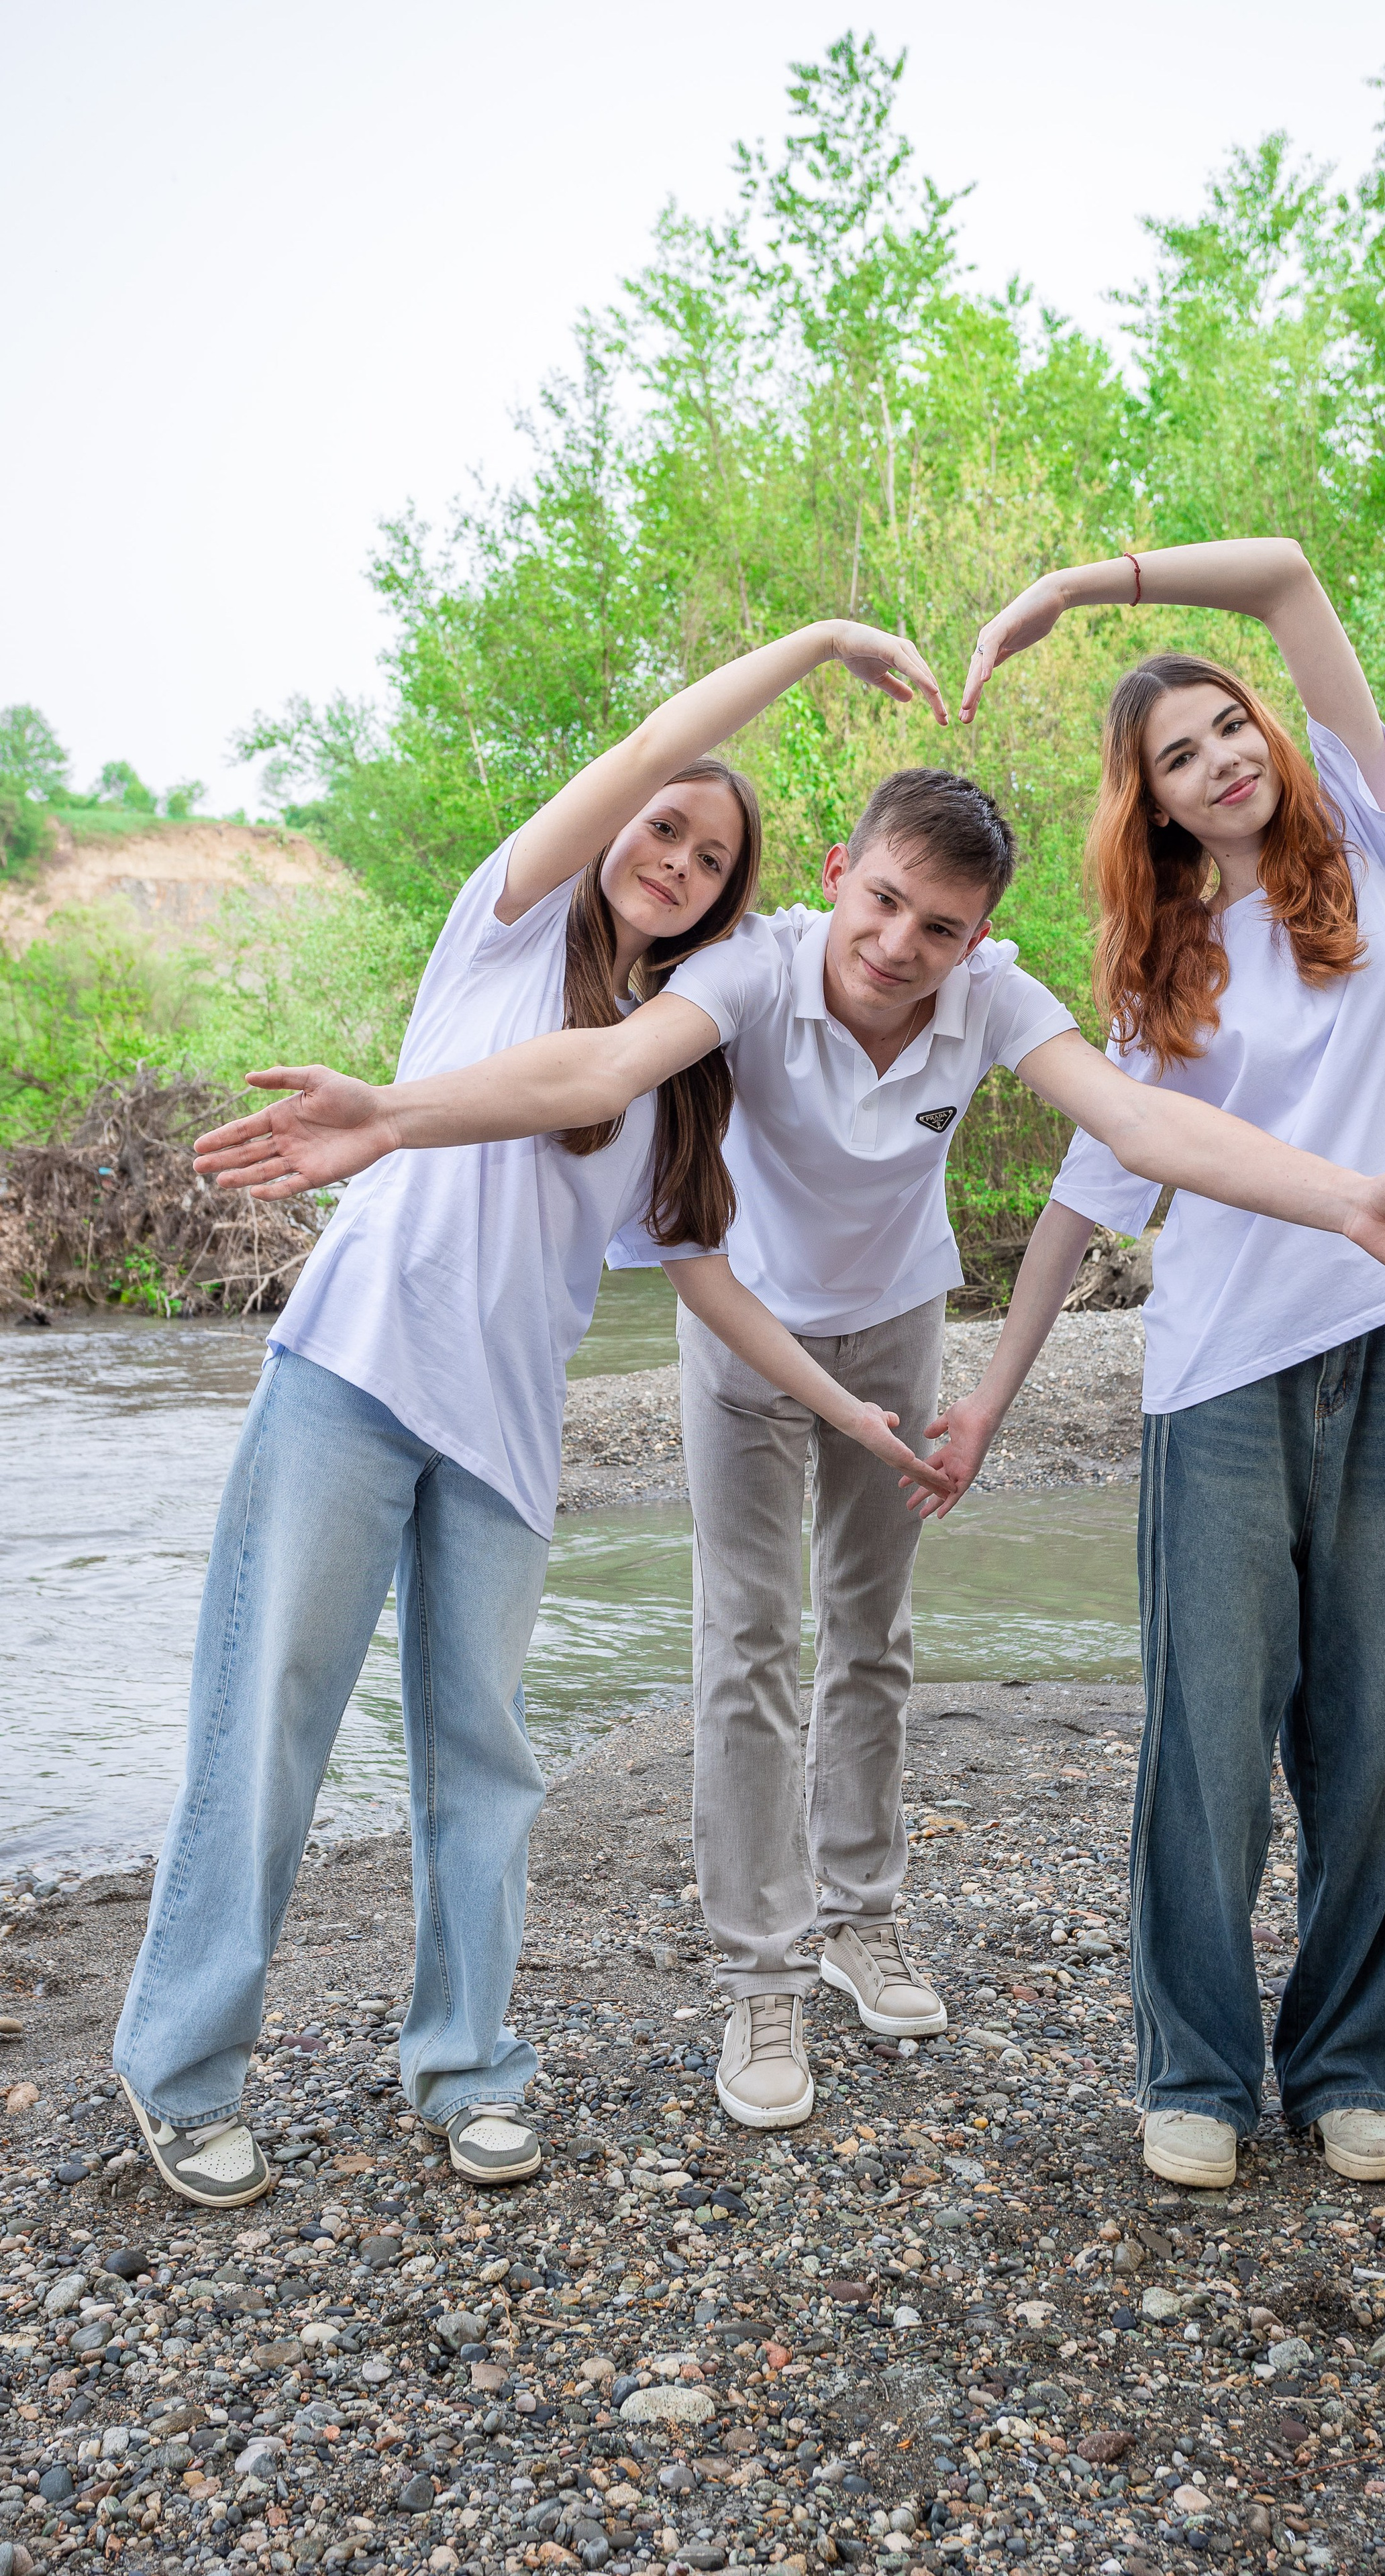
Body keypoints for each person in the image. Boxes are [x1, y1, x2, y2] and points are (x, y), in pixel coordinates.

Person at [197, 630, 1385, 2139]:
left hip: (892, 1321)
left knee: (873, 1641)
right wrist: (388, 1114)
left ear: (979, 938)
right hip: (739, 1329)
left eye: (939, 925)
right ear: (836, 872)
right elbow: (596, 1082)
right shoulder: (744, 968)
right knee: (746, 1648)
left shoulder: (996, 999)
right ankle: (759, 1978)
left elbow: (1142, 1136)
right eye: (883, 901)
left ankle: (859, 1921)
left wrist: (1348, 1201)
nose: (899, 943)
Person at [111, 619, 964, 2208]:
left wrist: (846, 1407)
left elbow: (705, 1281)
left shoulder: (660, 1068)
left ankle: (465, 2064)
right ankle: (184, 2070)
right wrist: (816, 645)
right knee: (271, 1719)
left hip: (504, 1434)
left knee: (482, 1757)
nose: (678, 857)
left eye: (712, 857)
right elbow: (651, 748)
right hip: (352, 1379)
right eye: (664, 830)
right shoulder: (498, 933)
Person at [935, 534, 1385, 2190]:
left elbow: (1280, 575)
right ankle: (1192, 2073)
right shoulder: (1161, 971)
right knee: (1207, 1738)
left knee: (1374, 1730)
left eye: (1226, 728)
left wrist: (1070, 592)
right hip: (1216, 1379)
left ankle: (1347, 2065)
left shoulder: (1378, 853)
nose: (1220, 759)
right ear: (1162, 809)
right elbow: (1089, 1194)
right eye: (1179, 758)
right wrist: (992, 1389)